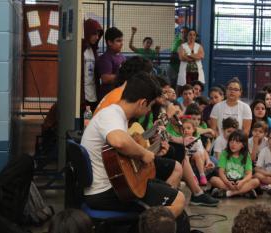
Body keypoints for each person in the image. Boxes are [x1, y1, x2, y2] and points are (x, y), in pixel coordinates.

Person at [81, 72, 186, 227]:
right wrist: (144, 153)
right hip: (106, 193)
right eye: (150, 106)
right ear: (142, 102)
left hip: (114, 185)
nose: (149, 110)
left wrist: (152, 151)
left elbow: (122, 154)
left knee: (167, 192)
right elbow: (119, 142)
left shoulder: (118, 116)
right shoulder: (111, 115)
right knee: (179, 200)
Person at [210, 130, 260, 198]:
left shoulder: (246, 155)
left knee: (256, 181)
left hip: (241, 181)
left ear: (243, 145)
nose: (233, 144)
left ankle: (229, 193)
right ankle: (243, 192)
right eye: (231, 141)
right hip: (227, 181)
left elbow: (249, 174)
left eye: (237, 142)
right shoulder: (225, 153)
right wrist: (228, 182)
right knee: (213, 180)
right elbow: (221, 172)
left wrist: (242, 182)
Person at [95, 27, 126, 101]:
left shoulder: (122, 57)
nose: (121, 44)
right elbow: (105, 78)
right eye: (118, 41)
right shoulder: (105, 58)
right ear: (109, 42)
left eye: (122, 41)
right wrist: (124, 76)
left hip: (119, 96)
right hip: (108, 97)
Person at [182, 119, 214, 186]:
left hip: (194, 156)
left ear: (193, 129)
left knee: (198, 154)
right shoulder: (180, 139)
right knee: (186, 156)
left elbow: (201, 150)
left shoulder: (196, 140)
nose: (186, 130)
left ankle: (202, 175)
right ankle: (193, 176)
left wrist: (205, 159)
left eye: (188, 128)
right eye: (183, 128)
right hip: (186, 156)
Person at [81, 18, 103, 112]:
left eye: (98, 34)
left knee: (90, 120)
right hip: (83, 95)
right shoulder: (81, 49)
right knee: (85, 121)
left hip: (93, 94)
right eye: (94, 34)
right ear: (88, 33)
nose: (97, 37)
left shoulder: (94, 51)